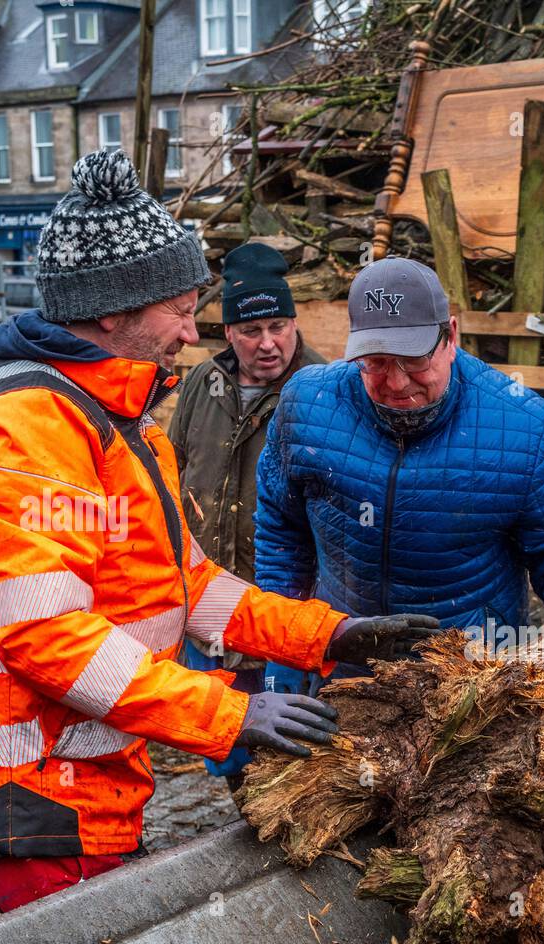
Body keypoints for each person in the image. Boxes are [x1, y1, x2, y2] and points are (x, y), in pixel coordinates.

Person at [0, 151, 434, 912]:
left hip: (86, 798)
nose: (195, 334)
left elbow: (190, 588)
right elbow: (47, 636)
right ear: (112, 311)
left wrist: (327, 635)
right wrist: (229, 713)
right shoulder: (28, 427)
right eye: (182, 310)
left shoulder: (119, 421)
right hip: (30, 805)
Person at [253, 256, 544, 692]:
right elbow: (281, 529)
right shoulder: (307, 406)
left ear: (451, 336)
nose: (398, 382)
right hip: (345, 670)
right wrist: (286, 648)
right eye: (377, 362)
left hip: (472, 679)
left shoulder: (524, 427)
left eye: (414, 360)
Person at [167, 241, 326, 783]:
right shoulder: (200, 387)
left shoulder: (322, 393)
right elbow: (175, 474)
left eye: (279, 326)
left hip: (285, 615)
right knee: (229, 750)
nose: (268, 344)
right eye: (252, 331)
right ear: (228, 333)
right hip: (212, 617)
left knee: (295, 761)